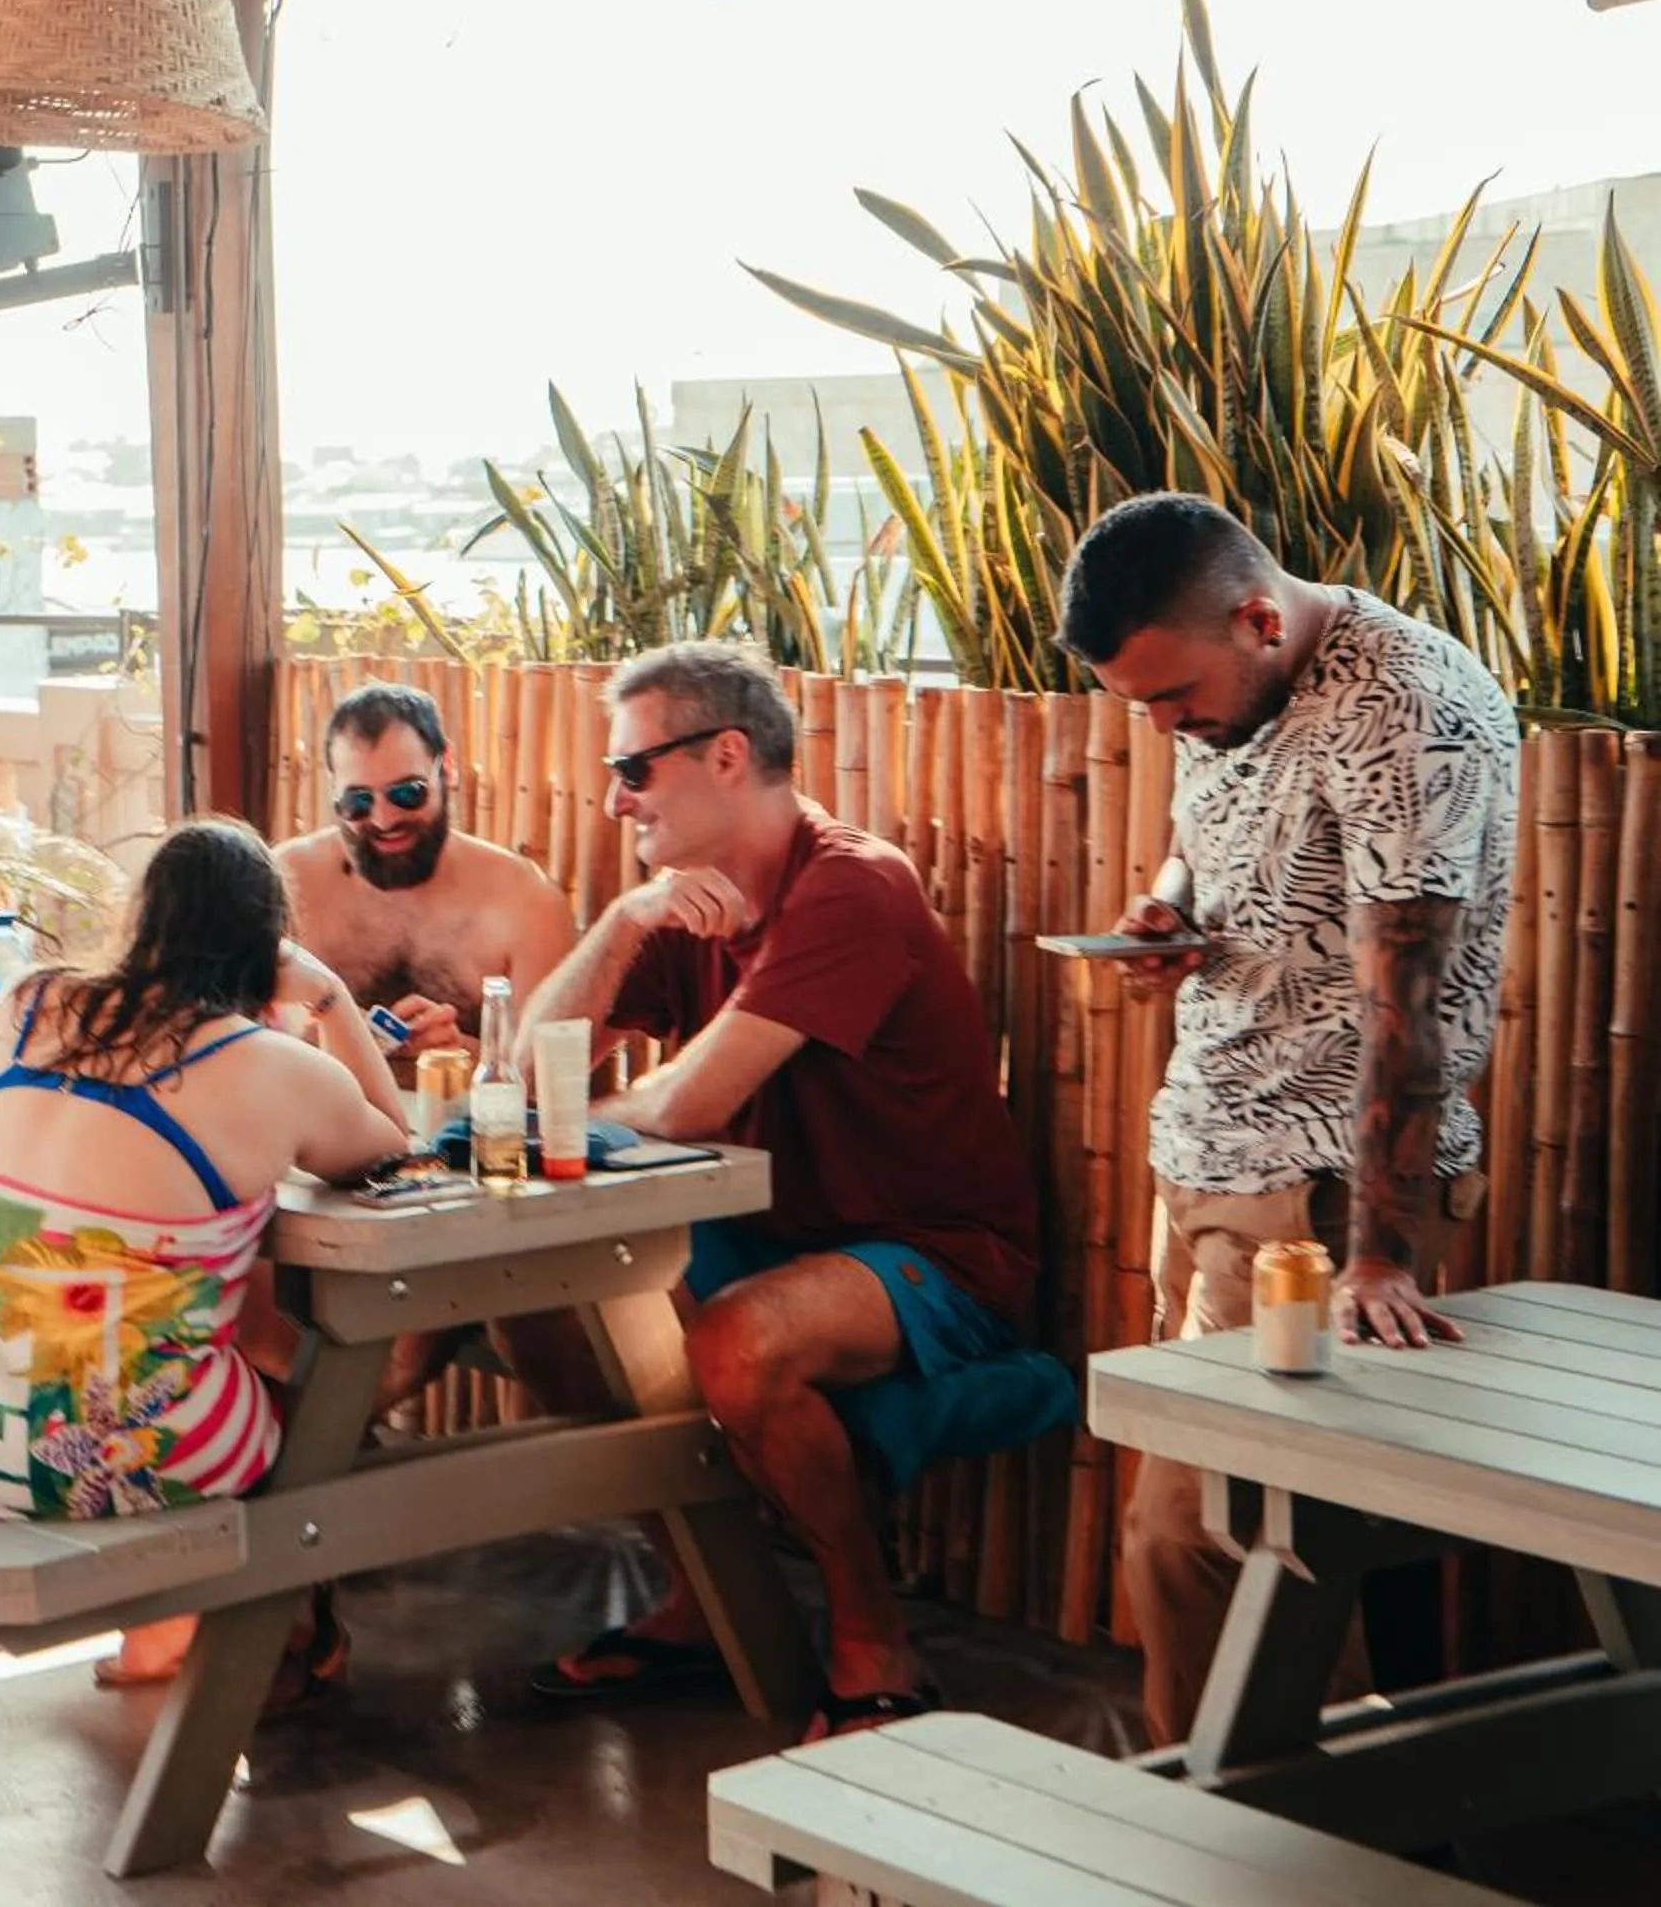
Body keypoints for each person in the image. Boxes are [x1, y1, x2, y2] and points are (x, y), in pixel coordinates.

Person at [509, 642, 1047, 1738]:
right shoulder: (685, 907)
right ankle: (703, 1601)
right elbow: (525, 1074)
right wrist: (619, 922)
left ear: (726, 754)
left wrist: (555, 1128)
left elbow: (687, 1104)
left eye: (634, 771)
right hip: (773, 1234)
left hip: (939, 1258)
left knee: (739, 1341)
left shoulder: (849, 883)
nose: (615, 801)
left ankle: (870, 1633)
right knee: (542, 1303)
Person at [1058, 492, 1518, 1748]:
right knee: (1259, 1540)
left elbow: (1406, 1013)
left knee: (1200, 1537)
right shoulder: (1232, 677)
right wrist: (1166, 912)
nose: (1160, 726)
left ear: (1261, 616)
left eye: (1168, 697)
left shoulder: (1405, 715)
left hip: (1315, 1200)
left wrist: (1376, 1251)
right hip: (1207, 1161)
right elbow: (1203, 844)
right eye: (1138, 705)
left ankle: (1238, 1850)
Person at [0, 818, 410, 1695]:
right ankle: (271, 1631)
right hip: (83, 1467)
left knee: (168, 1330)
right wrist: (330, 998)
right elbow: (390, 1145)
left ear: (140, 919)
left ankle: (201, 1633)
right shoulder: (269, 1065)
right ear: (264, 943)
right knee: (280, 1379)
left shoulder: (24, 1002)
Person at [277, 683, 577, 1059]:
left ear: (446, 767)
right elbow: (234, 1034)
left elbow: (552, 1076)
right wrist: (330, 1030)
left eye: (407, 793)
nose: (385, 819)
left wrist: (460, 1052)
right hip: (319, 1112)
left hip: (466, 1115)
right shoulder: (288, 882)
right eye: (358, 802)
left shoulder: (526, 903)